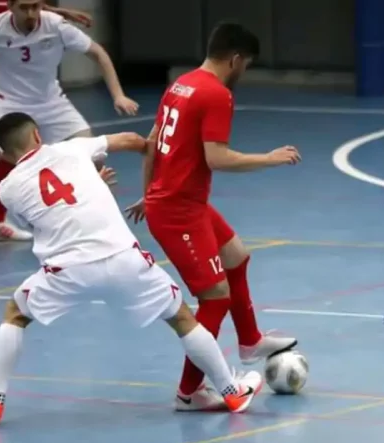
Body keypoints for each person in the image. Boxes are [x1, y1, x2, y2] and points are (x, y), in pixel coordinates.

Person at [0, 112, 263, 426]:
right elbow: (129, 140)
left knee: (16, 314)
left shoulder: (7, 189)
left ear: (6, 154)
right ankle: (231, 390)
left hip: (67, 272)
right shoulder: (73, 147)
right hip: (123, 259)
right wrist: (149, 150)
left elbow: (44, 216)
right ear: (37, 135)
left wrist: (89, 184)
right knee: (182, 318)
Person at [125, 22, 300, 411]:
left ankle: (250, 341)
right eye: (246, 64)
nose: (244, 72)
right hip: (178, 212)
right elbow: (217, 158)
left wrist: (148, 193)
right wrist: (269, 158)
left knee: (236, 255)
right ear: (235, 59)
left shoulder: (181, 84)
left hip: (183, 202)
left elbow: (152, 142)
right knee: (216, 298)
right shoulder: (216, 94)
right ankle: (190, 392)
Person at [0, 0, 138, 260]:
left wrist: (118, 95)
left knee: (94, 156)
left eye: (35, 6)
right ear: (10, 7)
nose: (31, 13)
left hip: (51, 104)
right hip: (7, 104)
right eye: (24, 8)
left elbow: (98, 53)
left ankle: (91, 231)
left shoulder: (56, 26)